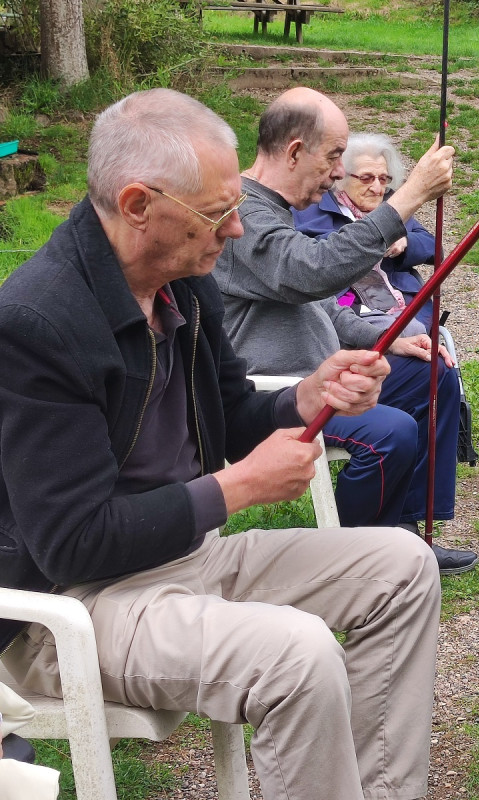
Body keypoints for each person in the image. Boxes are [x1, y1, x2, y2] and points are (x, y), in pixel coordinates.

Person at [0, 88, 442, 800]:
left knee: (402, 564)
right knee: (297, 655)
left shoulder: (183, 279)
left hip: (187, 559)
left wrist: (308, 396)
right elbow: (72, 542)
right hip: (77, 608)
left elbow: (234, 415)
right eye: (217, 213)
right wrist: (239, 488)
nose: (236, 230)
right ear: (138, 204)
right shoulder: (37, 323)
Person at [214, 87, 478, 576]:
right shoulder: (244, 215)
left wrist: (391, 340)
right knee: (391, 431)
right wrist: (410, 194)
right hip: (275, 392)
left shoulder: (276, 210)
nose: (340, 171)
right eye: (335, 156)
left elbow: (318, 307)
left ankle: (402, 530)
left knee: (431, 375)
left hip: (322, 372)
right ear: (295, 151)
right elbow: (312, 270)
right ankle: (352, 562)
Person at [293, 131, 436, 332]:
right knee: (418, 347)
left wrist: (405, 241)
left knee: (424, 344)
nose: (377, 188)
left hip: (406, 307)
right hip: (347, 313)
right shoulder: (311, 211)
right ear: (341, 176)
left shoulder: (392, 208)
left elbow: (435, 250)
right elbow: (304, 258)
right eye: (366, 178)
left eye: (383, 179)